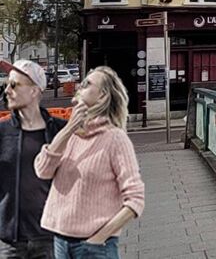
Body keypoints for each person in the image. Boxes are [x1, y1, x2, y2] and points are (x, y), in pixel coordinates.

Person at [35, 67, 143, 259]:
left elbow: (135, 199)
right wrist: (69, 129)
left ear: (102, 96)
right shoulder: (70, 134)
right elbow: (43, 171)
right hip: (60, 241)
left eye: (87, 84)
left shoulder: (115, 139)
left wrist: (99, 237)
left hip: (94, 247)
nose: (79, 86)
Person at [1, 61, 66, 259]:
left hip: (50, 236)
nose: (7, 91)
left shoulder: (60, 130)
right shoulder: (2, 132)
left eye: (14, 85)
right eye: (6, 85)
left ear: (35, 91)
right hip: (9, 241)